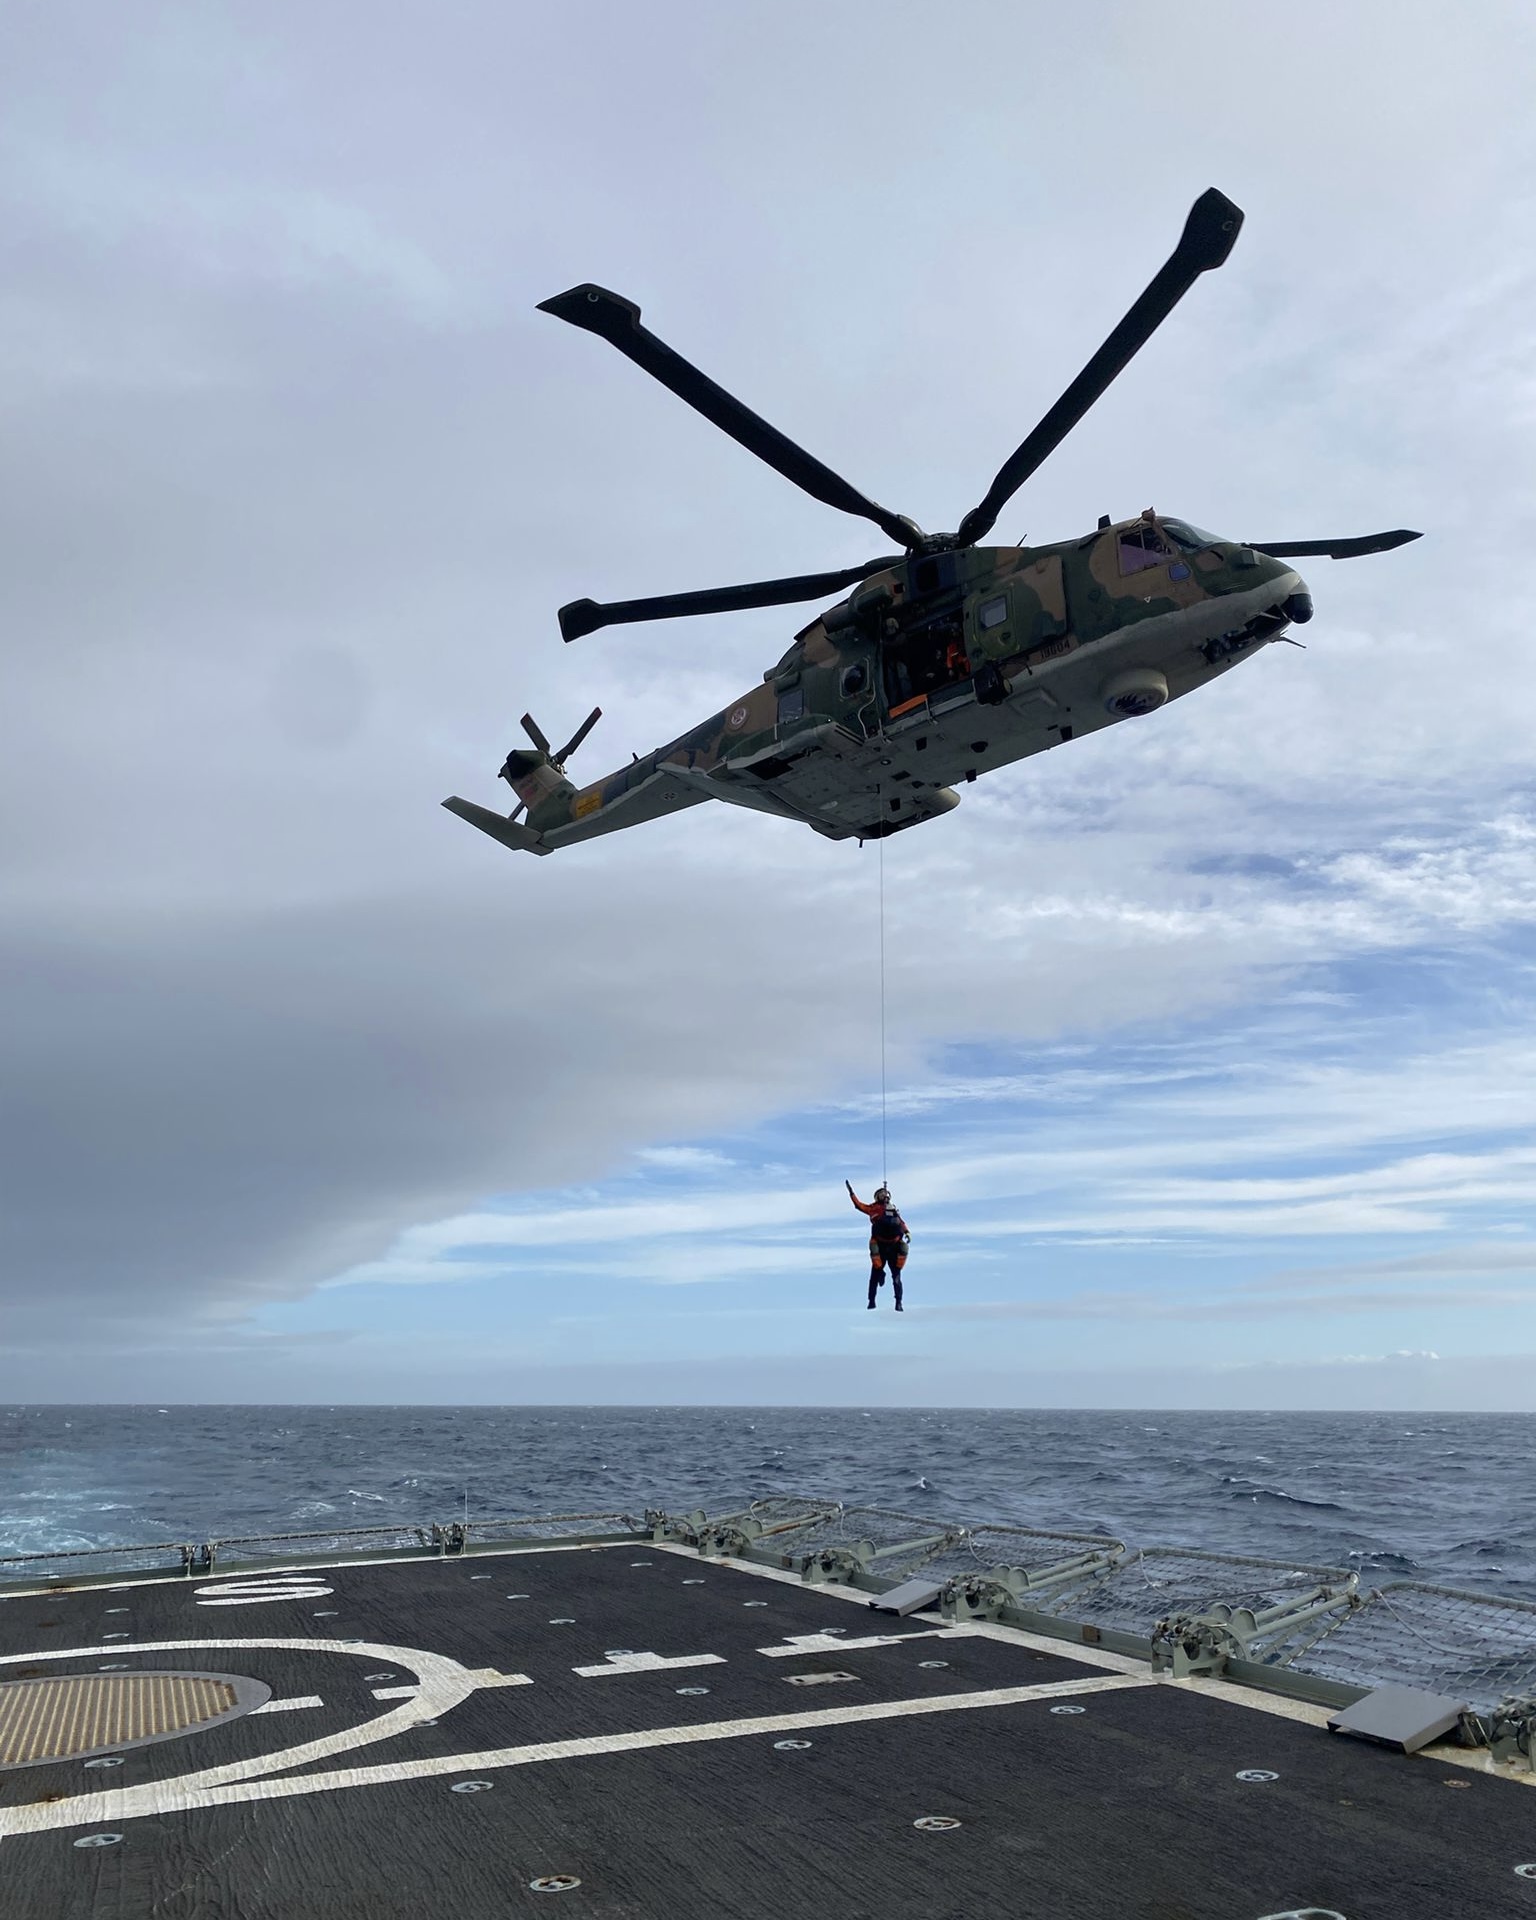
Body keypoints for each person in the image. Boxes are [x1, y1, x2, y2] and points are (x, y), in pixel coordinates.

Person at [846, 1180, 910, 1311]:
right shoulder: (872, 1208)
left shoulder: (892, 1208)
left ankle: (899, 1302)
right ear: (876, 1197)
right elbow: (859, 1205)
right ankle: (872, 1300)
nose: (883, 1194)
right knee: (874, 1276)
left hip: (894, 1246)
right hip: (880, 1245)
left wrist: (907, 1232)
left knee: (897, 1277)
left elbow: (901, 1222)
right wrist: (851, 1193)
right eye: (880, 1193)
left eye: (885, 1193)